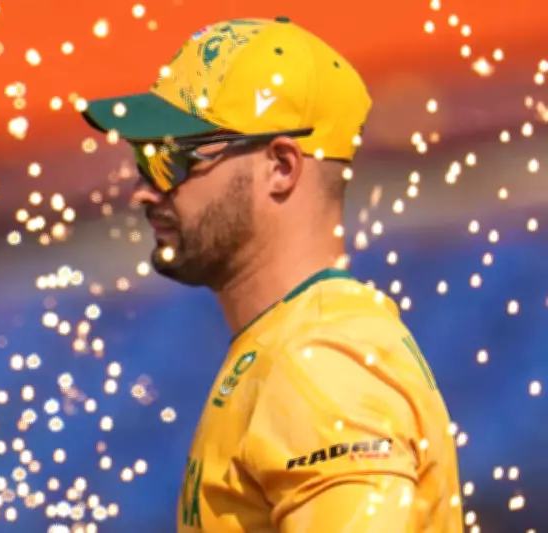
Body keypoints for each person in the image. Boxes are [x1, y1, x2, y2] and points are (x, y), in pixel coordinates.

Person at [81, 16, 463, 533]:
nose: (145, 190)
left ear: (281, 166)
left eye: (170, 159)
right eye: (142, 158)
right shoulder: (291, 345)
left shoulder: (318, 363)